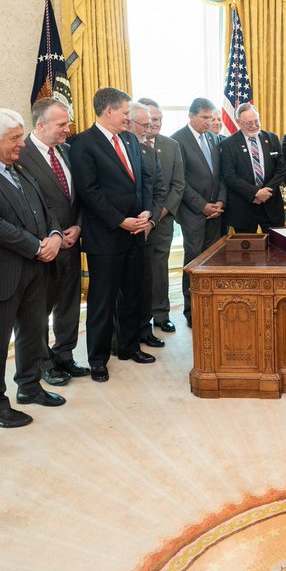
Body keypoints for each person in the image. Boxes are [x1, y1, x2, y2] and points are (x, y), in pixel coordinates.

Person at [0, 108, 65, 429]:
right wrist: (37, 247)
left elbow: (44, 207)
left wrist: (55, 236)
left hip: (36, 268)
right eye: (15, 138)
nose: (22, 143)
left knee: (33, 331)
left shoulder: (18, 165)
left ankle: (29, 386)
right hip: (2, 272)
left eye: (21, 136)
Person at [68, 87, 155, 382]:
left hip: (135, 232)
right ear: (109, 111)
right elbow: (89, 191)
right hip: (105, 236)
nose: (128, 118)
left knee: (133, 295)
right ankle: (98, 359)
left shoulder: (129, 139)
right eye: (125, 113)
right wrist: (120, 221)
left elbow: (143, 180)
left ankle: (129, 347)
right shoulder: (83, 143)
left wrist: (146, 212)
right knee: (102, 301)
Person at [16, 97, 87, 382]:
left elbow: (80, 197)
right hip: (43, 246)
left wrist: (78, 227)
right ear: (41, 125)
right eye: (61, 124)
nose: (67, 129)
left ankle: (65, 355)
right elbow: (25, 204)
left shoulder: (68, 151)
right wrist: (55, 233)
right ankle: (43, 363)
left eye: (67, 123)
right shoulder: (20, 155)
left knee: (69, 303)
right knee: (38, 310)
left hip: (72, 242)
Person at [172, 97, 225, 327]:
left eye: (211, 118)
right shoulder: (178, 140)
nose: (209, 122)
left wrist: (220, 201)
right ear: (191, 116)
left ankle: (210, 307)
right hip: (193, 213)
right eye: (204, 118)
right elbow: (180, 181)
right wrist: (202, 206)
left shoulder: (213, 138)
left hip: (216, 212)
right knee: (193, 262)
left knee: (212, 262)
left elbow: (220, 175)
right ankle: (191, 311)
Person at [138, 98, 184, 335]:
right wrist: (145, 219)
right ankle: (139, 320)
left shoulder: (171, 145)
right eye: (152, 119)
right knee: (138, 273)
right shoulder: (130, 144)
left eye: (160, 119)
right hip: (135, 223)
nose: (157, 123)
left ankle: (161, 315)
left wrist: (156, 217)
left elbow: (178, 185)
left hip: (162, 221)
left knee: (159, 271)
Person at [129, 102, 169, 349]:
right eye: (144, 124)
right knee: (126, 290)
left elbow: (159, 190)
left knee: (146, 284)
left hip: (147, 228)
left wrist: (151, 220)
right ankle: (125, 337)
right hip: (123, 228)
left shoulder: (149, 152)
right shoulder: (117, 150)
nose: (149, 128)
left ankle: (145, 330)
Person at [221, 103, 286, 232]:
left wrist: (266, 192)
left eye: (256, 121)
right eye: (249, 123)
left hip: (271, 205)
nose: (254, 126)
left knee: (276, 244)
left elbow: (281, 168)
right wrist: (255, 193)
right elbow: (230, 176)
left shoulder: (272, 138)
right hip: (243, 208)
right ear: (238, 122)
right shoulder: (228, 144)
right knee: (247, 244)